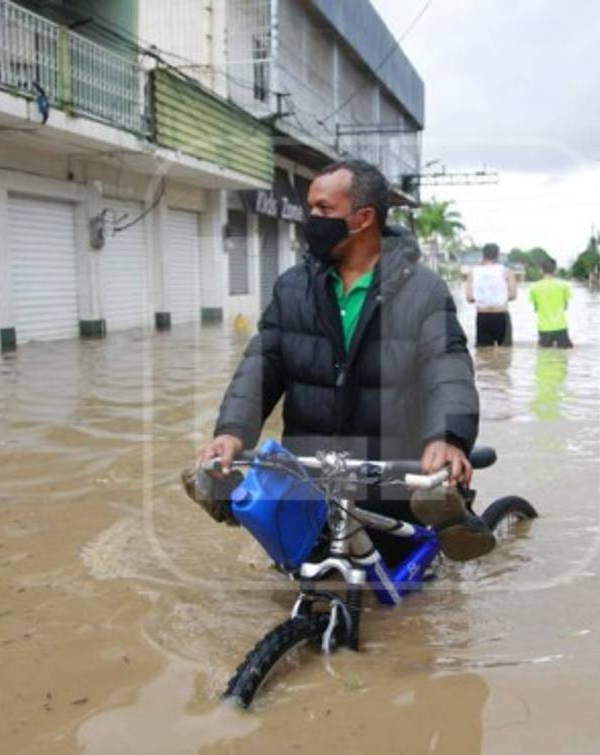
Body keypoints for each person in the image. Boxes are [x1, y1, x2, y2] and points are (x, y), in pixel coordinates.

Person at [191, 159, 494, 561]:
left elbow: (448, 365)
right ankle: (237, 503)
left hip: (390, 472)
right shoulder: (293, 287)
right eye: (310, 207)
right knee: (299, 578)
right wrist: (232, 432)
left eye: (323, 209)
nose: (311, 218)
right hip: (310, 473)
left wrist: (448, 437)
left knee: (406, 599)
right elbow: (261, 364)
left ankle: (450, 516)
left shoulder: (423, 290)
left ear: (362, 218)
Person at [465, 243, 516, 347]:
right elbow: (512, 295)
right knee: (505, 354)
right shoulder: (507, 272)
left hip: (482, 317)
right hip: (501, 316)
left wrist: (483, 298)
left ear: (483, 255)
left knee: (483, 355)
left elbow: (469, 298)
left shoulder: (473, 273)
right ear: (498, 255)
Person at [529, 257, 573, 348]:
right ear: (555, 270)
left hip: (544, 328)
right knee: (565, 355)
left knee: (544, 356)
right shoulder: (564, 286)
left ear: (541, 271)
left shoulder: (534, 287)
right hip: (561, 326)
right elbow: (565, 307)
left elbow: (536, 309)